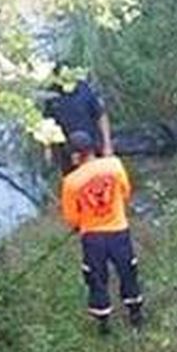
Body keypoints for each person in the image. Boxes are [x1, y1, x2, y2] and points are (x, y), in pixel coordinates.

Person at [59, 130, 143, 334]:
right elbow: (125, 192)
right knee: (127, 270)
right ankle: (135, 316)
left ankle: (103, 322)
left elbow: (71, 218)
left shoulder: (71, 182)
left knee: (96, 277)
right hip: (119, 231)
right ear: (93, 148)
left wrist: (82, 223)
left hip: (92, 237)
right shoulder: (114, 165)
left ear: (76, 155)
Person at [43, 67, 113, 172]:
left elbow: (101, 116)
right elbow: (47, 125)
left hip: (92, 146)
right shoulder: (52, 96)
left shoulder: (84, 89)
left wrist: (107, 144)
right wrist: (47, 149)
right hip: (68, 153)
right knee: (74, 182)